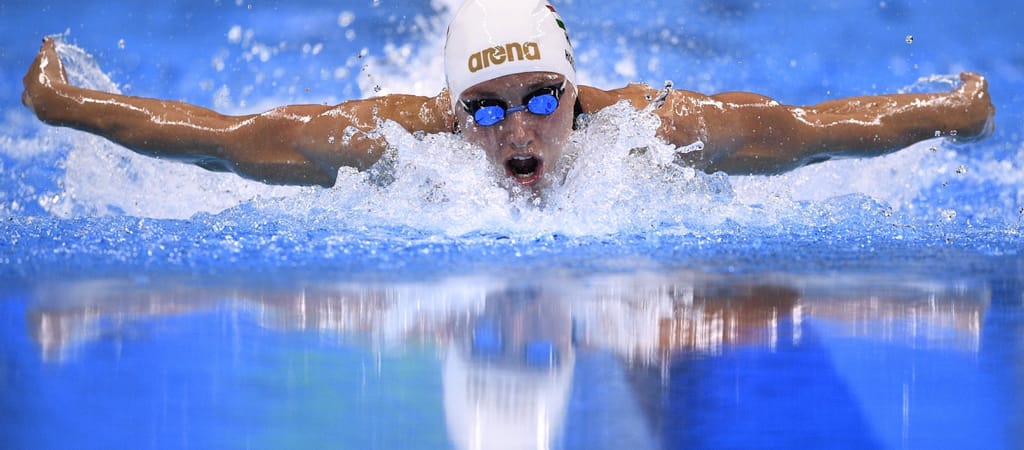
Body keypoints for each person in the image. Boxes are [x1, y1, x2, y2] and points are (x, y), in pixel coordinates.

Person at [21, 0, 995, 193]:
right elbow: (225, 139)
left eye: (542, 99)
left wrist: (955, 113)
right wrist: (65, 108)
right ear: (452, 112)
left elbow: (814, 130)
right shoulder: (392, 142)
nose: (520, 130)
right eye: (487, 108)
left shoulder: (660, 129)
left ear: (577, 91)